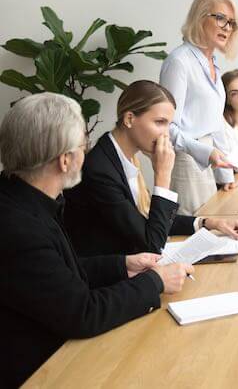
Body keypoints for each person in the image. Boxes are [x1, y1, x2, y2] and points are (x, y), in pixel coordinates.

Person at [0, 93, 193, 387]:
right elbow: (82, 313)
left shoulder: (21, 197)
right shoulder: (20, 226)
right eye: (83, 145)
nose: (87, 152)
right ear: (65, 160)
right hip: (43, 370)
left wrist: (123, 266)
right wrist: (156, 282)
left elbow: (60, 275)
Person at [64, 80, 238, 257]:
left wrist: (207, 223)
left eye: (169, 124)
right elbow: (152, 243)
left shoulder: (126, 156)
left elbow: (148, 221)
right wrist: (163, 176)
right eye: (160, 122)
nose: (166, 133)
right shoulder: (100, 169)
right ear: (129, 119)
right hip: (107, 279)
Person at [160, 0, 238, 215]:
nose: (227, 27)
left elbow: (215, 124)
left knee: (214, 228)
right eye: (221, 18)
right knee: (192, 233)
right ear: (200, 17)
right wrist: (206, 153)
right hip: (186, 161)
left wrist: (225, 175)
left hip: (208, 161)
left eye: (231, 23)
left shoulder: (212, 63)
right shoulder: (179, 62)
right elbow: (166, 126)